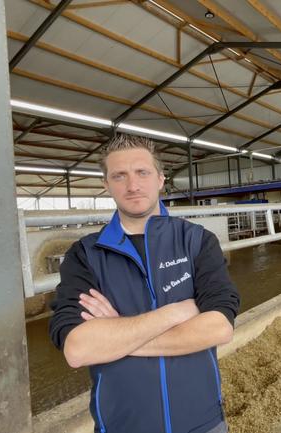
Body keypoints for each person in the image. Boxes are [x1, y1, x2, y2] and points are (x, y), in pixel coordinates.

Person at [49, 134, 240, 433]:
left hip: (203, 424)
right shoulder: (85, 254)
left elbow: (219, 328)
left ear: (161, 179)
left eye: (142, 172)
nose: (133, 185)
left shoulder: (197, 241)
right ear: (106, 184)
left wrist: (118, 336)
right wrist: (175, 313)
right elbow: (79, 349)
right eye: (119, 176)